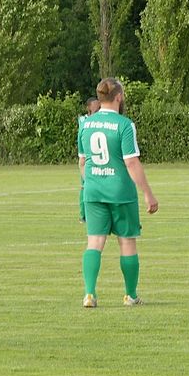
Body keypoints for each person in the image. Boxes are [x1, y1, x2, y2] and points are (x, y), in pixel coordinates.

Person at [78, 78, 157, 308]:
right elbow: (131, 162)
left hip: (93, 191)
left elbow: (82, 162)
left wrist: (91, 183)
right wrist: (148, 193)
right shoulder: (124, 125)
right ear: (119, 97)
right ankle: (130, 296)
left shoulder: (86, 124)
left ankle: (89, 294)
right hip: (121, 192)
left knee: (94, 242)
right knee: (127, 242)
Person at [78, 97, 101, 222]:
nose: (99, 111)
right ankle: (83, 215)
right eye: (96, 109)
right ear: (89, 109)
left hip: (99, 157)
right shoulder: (84, 121)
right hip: (87, 157)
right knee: (84, 186)